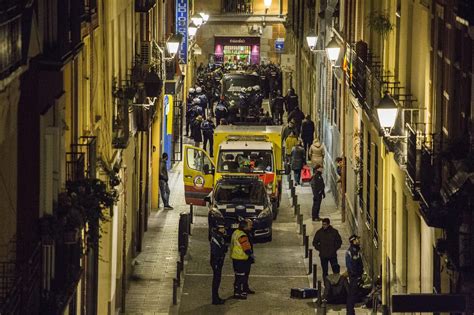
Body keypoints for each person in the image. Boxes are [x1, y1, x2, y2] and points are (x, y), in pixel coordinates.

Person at [230, 219, 255, 299]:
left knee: (242, 275)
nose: (251, 226)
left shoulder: (236, 232)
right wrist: (251, 255)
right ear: (245, 226)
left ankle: (244, 288)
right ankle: (239, 292)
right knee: (240, 276)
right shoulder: (242, 235)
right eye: (250, 225)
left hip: (237, 257)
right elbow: (246, 248)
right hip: (241, 258)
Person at [210, 223, 228, 305]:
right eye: (222, 228)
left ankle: (216, 297)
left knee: (217, 279)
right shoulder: (216, 238)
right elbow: (216, 251)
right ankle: (215, 299)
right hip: (216, 261)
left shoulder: (219, 237)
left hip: (218, 260)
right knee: (216, 280)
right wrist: (218, 260)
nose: (223, 230)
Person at [346, 235, 364, 315]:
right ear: (353, 241)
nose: (358, 241)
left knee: (354, 294)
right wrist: (354, 275)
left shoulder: (356, 250)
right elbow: (349, 265)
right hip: (354, 277)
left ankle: (351, 311)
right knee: (351, 295)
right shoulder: (350, 252)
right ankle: (350, 312)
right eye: (357, 239)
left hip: (357, 276)